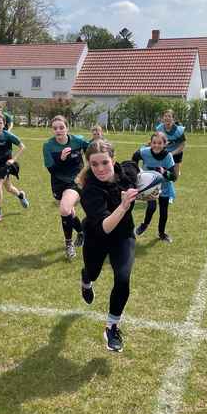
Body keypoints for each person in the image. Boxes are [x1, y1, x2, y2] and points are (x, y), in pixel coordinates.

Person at [76, 139, 139, 352]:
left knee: (122, 277)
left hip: (124, 237)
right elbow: (104, 228)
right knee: (93, 273)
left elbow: (140, 175)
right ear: (89, 165)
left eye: (105, 162)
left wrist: (150, 192)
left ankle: (111, 327)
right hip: (97, 238)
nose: (100, 168)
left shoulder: (127, 172)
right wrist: (123, 206)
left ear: (113, 159)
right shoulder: (90, 190)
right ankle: (86, 279)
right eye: (94, 164)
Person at [43, 115, 89, 259]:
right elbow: (52, 170)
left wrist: (85, 171)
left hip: (75, 181)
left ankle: (68, 244)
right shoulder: (48, 146)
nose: (58, 130)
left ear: (67, 128)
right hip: (58, 182)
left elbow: (93, 152)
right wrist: (61, 159)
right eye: (55, 128)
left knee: (64, 209)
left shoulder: (78, 141)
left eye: (61, 127)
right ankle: (82, 232)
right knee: (70, 213)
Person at [132, 132, 178, 243]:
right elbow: (134, 157)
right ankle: (144, 225)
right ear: (150, 143)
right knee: (151, 207)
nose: (156, 145)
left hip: (164, 187)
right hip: (150, 187)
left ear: (164, 144)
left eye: (160, 143)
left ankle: (161, 233)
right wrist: (136, 171)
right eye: (154, 143)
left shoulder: (168, 156)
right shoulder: (144, 152)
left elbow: (174, 177)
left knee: (163, 211)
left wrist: (164, 172)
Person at [155, 109, 186, 177]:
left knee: (175, 176)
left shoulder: (178, 130)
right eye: (165, 116)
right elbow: (156, 141)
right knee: (160, 172)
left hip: (177, 152)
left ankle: (175, 171)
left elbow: (183, 145)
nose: (167, 118)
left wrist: (172, 153)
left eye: (169, 116)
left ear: (173, 119)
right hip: (165, 151)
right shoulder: (159, 128)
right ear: (162, 118)